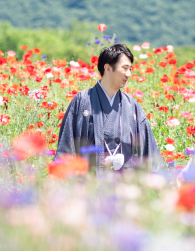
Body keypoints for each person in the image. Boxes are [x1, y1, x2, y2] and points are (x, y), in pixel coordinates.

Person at [55, 44, 165, 173]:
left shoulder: (132, 105)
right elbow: (67, 148)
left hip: (125, 186)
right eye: (124, 68)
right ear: (107, 68)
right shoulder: (82, 101)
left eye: (130, 69)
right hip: (89, 186)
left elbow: (150, 151)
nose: (128, 74)